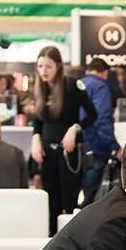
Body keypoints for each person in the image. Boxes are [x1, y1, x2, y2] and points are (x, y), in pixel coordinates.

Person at [30, 46, 98, 235]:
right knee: (51, 202)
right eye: (40, 66)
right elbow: (38, 120)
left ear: (58, 66)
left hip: (69, 152)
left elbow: (92, 114)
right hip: (47, 153)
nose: (44, 71)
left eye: (48, 66)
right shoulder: (40, 88)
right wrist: (35, 138)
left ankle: (69, 241)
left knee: (68, 200)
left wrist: (74, 128)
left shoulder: (71, 86)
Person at [79, 58, 120, 208]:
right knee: (91, 198)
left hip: (78, 144)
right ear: (105, 73)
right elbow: (102, 119)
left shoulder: (78, 83)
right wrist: (113, 146)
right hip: (96, 144)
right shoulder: (101, 87)